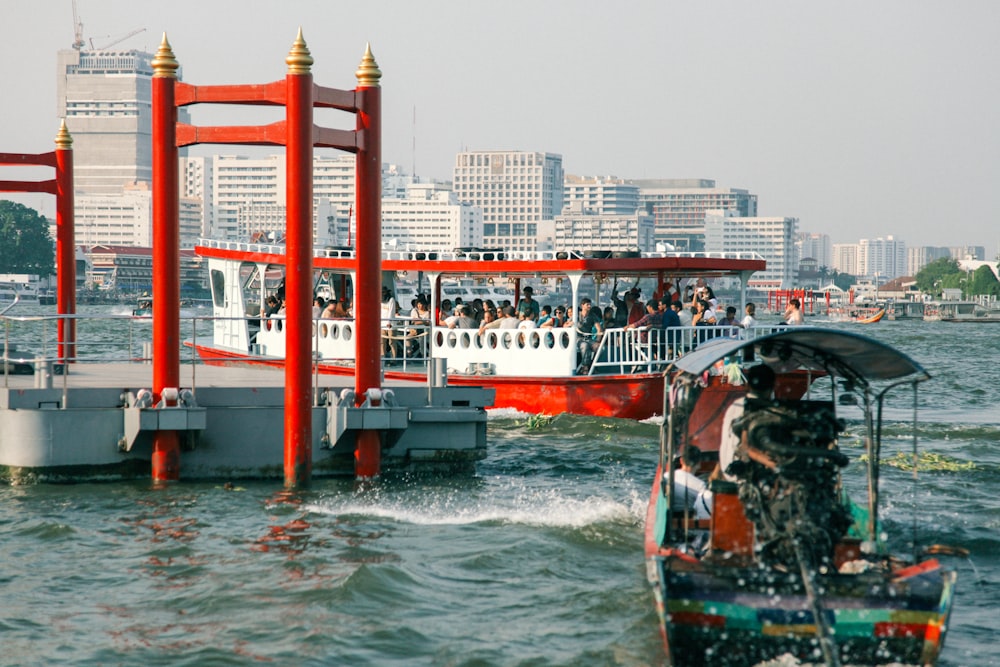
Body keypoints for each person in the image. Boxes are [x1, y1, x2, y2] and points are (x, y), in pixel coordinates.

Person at [718, 364, 776, 482]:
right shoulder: (762, 411)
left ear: (748, 386)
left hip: (727, 469)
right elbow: (745, 447)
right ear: (772, 388)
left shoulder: (735, 405)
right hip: (743, 476)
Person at [669, 445, 713, 520]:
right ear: (699, 464)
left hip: (670, 516)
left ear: (681, 460)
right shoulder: (701, 485)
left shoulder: (668, 476)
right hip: (688, 520)